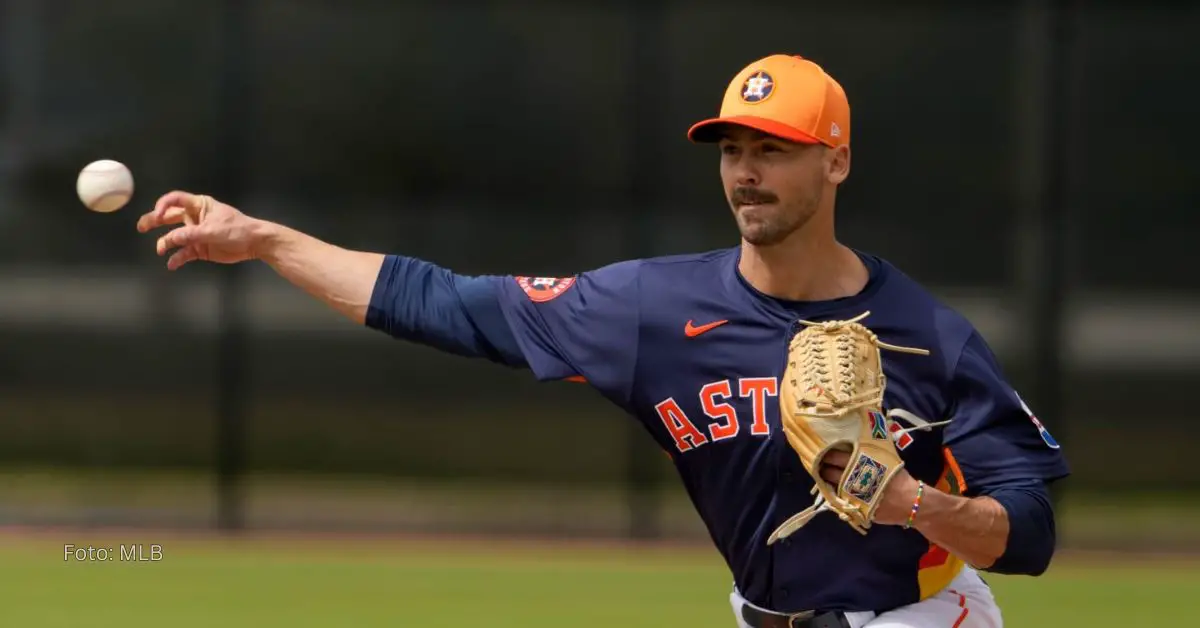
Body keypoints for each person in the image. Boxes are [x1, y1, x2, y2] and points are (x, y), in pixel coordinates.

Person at [138, 54, 1069, 628]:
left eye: (774, 149)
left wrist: (909, 502)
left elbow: (1027, 535)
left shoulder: (927, 338)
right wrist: (266, 240)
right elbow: (442, 303)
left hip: (916, 620)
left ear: (836, 159)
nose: (746, 172)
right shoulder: (651, 310)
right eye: (732, 150)